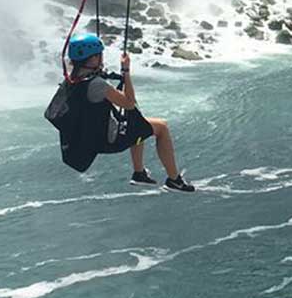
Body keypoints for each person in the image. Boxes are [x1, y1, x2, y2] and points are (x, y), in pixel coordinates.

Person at [51, 33, 193, 192]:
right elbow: (129, 103)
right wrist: (126, 71)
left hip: (89, 137)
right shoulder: (96, 84)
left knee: (138, 122)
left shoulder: (71, 80)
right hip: (109, 139)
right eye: (99, 56)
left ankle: (139, 173)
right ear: (92, 59)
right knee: (161, 127)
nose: (101, 58)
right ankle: (174, 180)